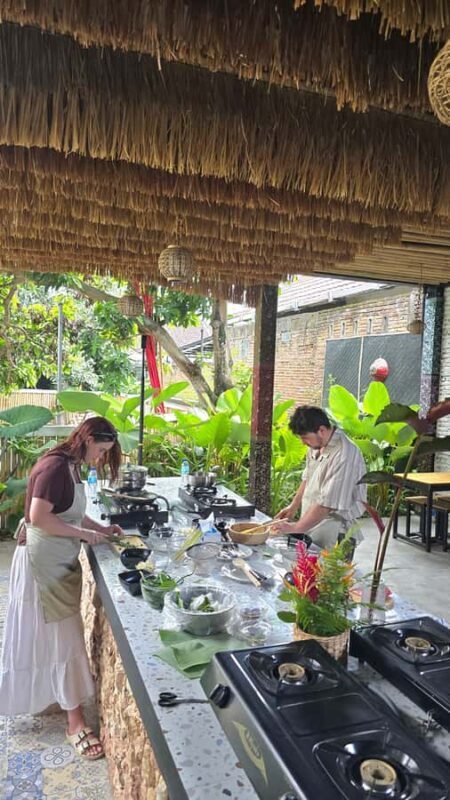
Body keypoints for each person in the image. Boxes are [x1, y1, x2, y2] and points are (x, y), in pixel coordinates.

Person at [0, 416, 124, 760]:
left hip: (55, 563)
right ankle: (75, 722)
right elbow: (40, 517)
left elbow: (70, 514)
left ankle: (57, 696)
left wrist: (102, 528)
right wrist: (85, 536)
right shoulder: (56, 468)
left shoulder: (71, 466)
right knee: (65, 637)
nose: (100, 458)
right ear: (85, 440)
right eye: (100, 450)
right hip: (42, 568)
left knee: (53, 635)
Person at [272, 406, 367, 549]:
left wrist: (295, 527)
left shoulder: (345, 454)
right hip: (312, 521)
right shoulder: (315, 445)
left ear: (321, 430)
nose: (303, 442)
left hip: (336, 529)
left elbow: (327, 504)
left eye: (305, 437)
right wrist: (293, 507)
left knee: (329, 570)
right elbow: (308, 478)